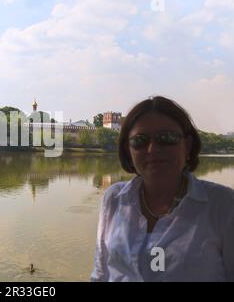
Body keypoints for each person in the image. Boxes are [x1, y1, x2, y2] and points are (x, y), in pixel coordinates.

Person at [90, 96, 234, 282]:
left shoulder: (223, 205)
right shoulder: (114, 199)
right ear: (128, 149)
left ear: (188, 145)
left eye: (167, 138)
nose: (152, 149)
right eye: (139, 140)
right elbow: (100, 274)